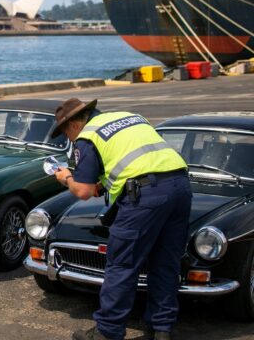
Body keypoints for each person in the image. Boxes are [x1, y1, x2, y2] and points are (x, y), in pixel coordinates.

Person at [51, 98, 191, 340]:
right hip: (180, 187)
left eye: (65, 133)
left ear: (74, 124)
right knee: (165, 263)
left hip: (145, 197)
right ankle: (161, 330)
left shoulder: (88, 136)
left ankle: (107, 331)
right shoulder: (131, 117)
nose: (69, 139)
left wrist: (66, 178)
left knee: (122, 264)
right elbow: (135, 161)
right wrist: (103, 184)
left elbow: (82, 191)